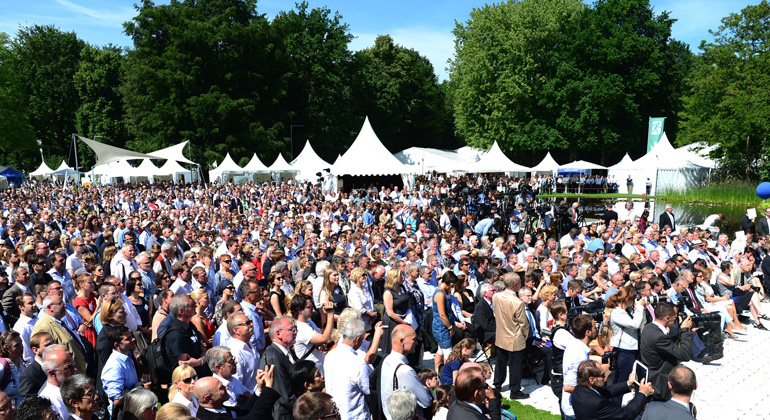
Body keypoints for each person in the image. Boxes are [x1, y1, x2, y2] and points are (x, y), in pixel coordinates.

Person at [639, 301, 694, 401]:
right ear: (667, 318)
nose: (676, 319)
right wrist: (686, 331)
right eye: (675, 316)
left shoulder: (648, 328)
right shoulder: (659, 336)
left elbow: (665, 346)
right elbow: (685, 355)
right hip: (660, 383)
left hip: (651, 374)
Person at [380, 325, 433, 420]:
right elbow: (426, 401)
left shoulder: (386, 360)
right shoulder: (405, 371)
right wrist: (425, 388)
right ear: (401, 341)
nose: (416, 343)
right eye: (414, 339)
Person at [571, 359, 653, 420]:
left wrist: (628, 383)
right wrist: (642, 393)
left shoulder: (578, 390)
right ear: (591, 380)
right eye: (602, 375)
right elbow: (626, 415)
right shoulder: (599, 403)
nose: (605, 377)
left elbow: (606, 391)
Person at [324, 317, 370, 420]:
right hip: (355, 416)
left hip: (336, 414)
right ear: (358, 339)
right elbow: (368, 391)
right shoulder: (358, 362)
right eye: (362, 340)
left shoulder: (330, 355)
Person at [492, 272, 529, 399]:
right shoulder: (517, 303)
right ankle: (515, 390)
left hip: (501, 334)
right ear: (515, 284)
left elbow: (495, 314)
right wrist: (525, 336)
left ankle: (497, 384)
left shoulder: (496, 296)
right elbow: (523, 323)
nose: (521, 284)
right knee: (515, 366)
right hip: (515, 336)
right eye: (519, 282)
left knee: (500, 362)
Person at [193, 366, 280, 420]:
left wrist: (260, 389)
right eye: (221, 388)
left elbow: (244, 411)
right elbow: (253, 418)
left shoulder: (216, 407)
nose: (226, 387)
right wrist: (268, 387)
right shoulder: (210, 417)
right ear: (208, 399)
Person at [30, 295, 87, 374]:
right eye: (60, 303)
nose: (65, 305)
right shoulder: (43, 326)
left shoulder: (59, 321)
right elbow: (43, 354)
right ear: (50, 307)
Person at [101, 326, 149, 417]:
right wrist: (141, 388)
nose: (133, 339)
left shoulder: (128, 357)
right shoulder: (114, 366)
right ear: (117, 345)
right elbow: (117, 400)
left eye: (131, 336)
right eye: (128, 339)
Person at [258, 317, 297, 420]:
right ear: (278, 334)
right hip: (283, 415)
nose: (295, 332)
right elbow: (284, 396)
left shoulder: (287, 352)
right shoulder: (273, 357)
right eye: (291, 329)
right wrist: (306, 409)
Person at [561, 314, 596, 419]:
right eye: (594, 327)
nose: (596, 329)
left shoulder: (576, 345)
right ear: (588, 332)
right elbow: (568, 387)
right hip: (575, 410)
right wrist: (592, 393)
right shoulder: (579, 357)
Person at [38, 348, 76, 420]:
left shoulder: (71, 387)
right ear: (52, 373)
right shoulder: (48, 400)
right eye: (68, 367)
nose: (75, 369)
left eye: (73, 364)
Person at [226, 312, 259, 392]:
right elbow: (237, 384)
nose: (251, 324)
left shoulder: (249, 343)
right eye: (247, 323)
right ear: (236, 330)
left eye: (250, 321)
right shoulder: (235, 352)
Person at [431, 271, 458, 372]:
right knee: (448, 353)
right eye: (451, 284)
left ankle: (437, 371)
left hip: (444, 325)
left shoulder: (445, 292)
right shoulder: (440, 294)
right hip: (441, 327)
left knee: (440, 350)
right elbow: (442, 314)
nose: (452, 287)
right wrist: (450, 327)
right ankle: (446, 374)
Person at [18, 333, 54, 398]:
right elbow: (31, 404)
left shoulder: (59, 364)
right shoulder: (28, 376)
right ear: (36, 350)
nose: (53, 347)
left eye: (53, 343)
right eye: (48, 345)